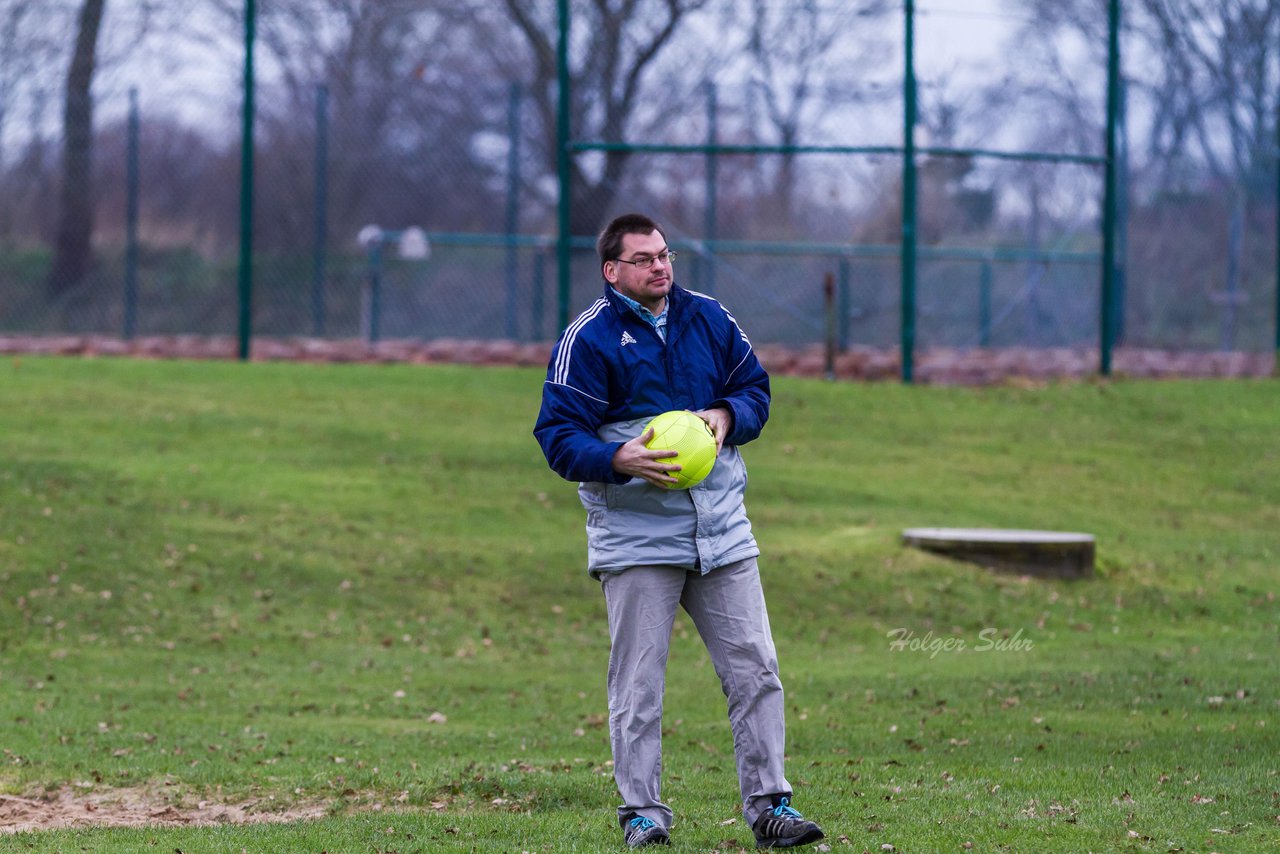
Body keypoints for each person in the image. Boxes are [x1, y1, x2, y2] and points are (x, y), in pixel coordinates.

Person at [533, 213, 825, 849]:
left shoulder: (709, 318)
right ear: (613, 271)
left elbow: (755, 389)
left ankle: (771, 806)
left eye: (664, 255)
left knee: (757, 671)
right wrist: (617, 459)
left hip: (721, 531)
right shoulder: (588, 338)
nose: (660, 267)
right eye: (643, 259)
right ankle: (642, 815)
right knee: (638, 686)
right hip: (637, 542)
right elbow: (556, 438)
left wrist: (726, 413)